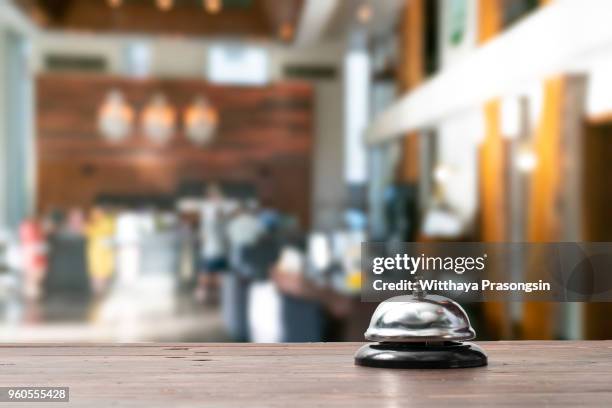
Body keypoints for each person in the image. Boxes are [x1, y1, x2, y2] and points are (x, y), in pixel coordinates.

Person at [195, 183, 235, 303]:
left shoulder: (220, 214)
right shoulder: (210, 212)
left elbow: (203, 235)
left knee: (213, 275)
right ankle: (208, 296)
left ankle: (213, 297)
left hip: (216, 250)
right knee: (210, 275)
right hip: (214, 250)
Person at [85, 206, 116, 296]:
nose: (95, 215)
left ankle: (101, 292)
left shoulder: (107, 223)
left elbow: (107, 231)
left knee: (102, 274)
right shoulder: (93, 225)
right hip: (95, 255)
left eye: (98, 213)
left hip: (103, 255)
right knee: (97, 274)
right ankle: (99, 292)